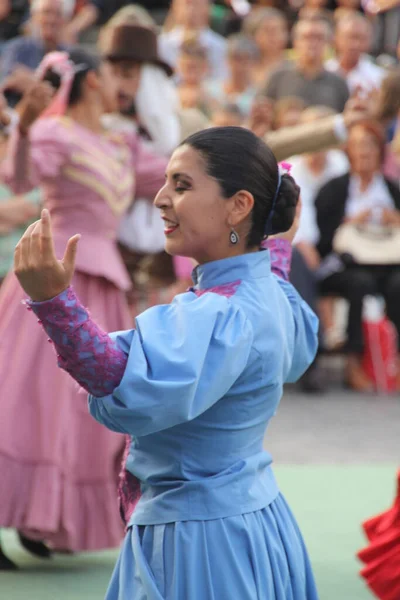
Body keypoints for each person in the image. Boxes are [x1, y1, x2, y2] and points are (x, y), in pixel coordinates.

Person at [14, 126, 319, 599]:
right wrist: (275, 244)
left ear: (239, 205)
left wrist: (56, 305)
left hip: (199, 541)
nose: (159, 199)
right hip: (254, 523)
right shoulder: (271, 295)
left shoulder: (219, 313)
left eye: (181, 185)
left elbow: (123, 383)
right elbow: (286, 323)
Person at [0, 48, 167, 569]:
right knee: (27, 402)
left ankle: (44, 518)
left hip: (104, 289)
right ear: (93, 81)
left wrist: (240, 149)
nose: (124, 81)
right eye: (116, 72)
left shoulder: (120, 142)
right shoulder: (54, 133)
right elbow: (21, 180)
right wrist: (24, 130)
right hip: (51, 284)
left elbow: (174, 176)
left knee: (84, 411)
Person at [315, 120, 400, 391]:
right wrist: (350, 222)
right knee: (359, 283)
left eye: (370, 145)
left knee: (398, 284)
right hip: (343, 265)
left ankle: (393, 359)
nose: (364, 152)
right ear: (348, 151)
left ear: (380, 151)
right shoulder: (334, 190)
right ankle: (353, 361)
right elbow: (322, 241)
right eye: (358, 145)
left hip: (387, 262)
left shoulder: (391, 189)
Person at [263, 15, 350, 112]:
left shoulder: (338, 82)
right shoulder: (278, 77)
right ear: (295, 42)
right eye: (306, 37)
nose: (312, 43)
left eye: (318, 38)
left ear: (328, 43)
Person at [159, 0, 227, 80]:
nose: (191, 9)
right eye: (186, 4)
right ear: (174, 7)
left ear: (208, 7)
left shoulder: (222, 47)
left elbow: (223, 82)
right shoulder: (161, 45)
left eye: (196, 4)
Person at [326, 12, 385, 94]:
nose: (355, 44)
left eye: (361, 38)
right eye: (350, 37)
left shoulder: (378, 77)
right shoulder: (325, 70)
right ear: (336, 38)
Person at [205, 33, 258, 117]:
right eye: (237, 59)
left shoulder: (256, 96)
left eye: (246, 60)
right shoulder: (209, 89)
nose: (240, 66)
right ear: (227, 60)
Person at [243, 7, 289, 87]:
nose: (274, 36)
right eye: (268, 31)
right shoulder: (244, 66)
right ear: (253, 36)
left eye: (280, 30)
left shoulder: (294, 64)